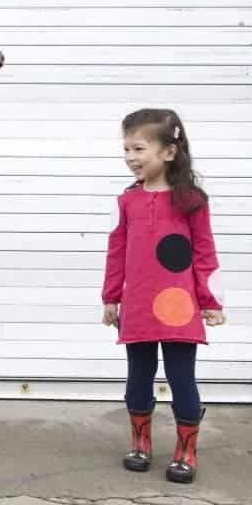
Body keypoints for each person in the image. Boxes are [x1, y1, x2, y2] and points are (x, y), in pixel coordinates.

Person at [102, 108, 225, 484]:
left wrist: (208, 301)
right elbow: (117, 248)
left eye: (139, 148)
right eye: (125, 149)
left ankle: (186, 450)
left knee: (181, 376)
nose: (130, 158)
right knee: (138, 376)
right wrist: (111, 297)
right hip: (138, 303)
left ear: (169, 152)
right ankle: (140, 442)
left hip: (178, 305)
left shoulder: (191, 201)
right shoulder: (128, 201)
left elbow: (203, 253)